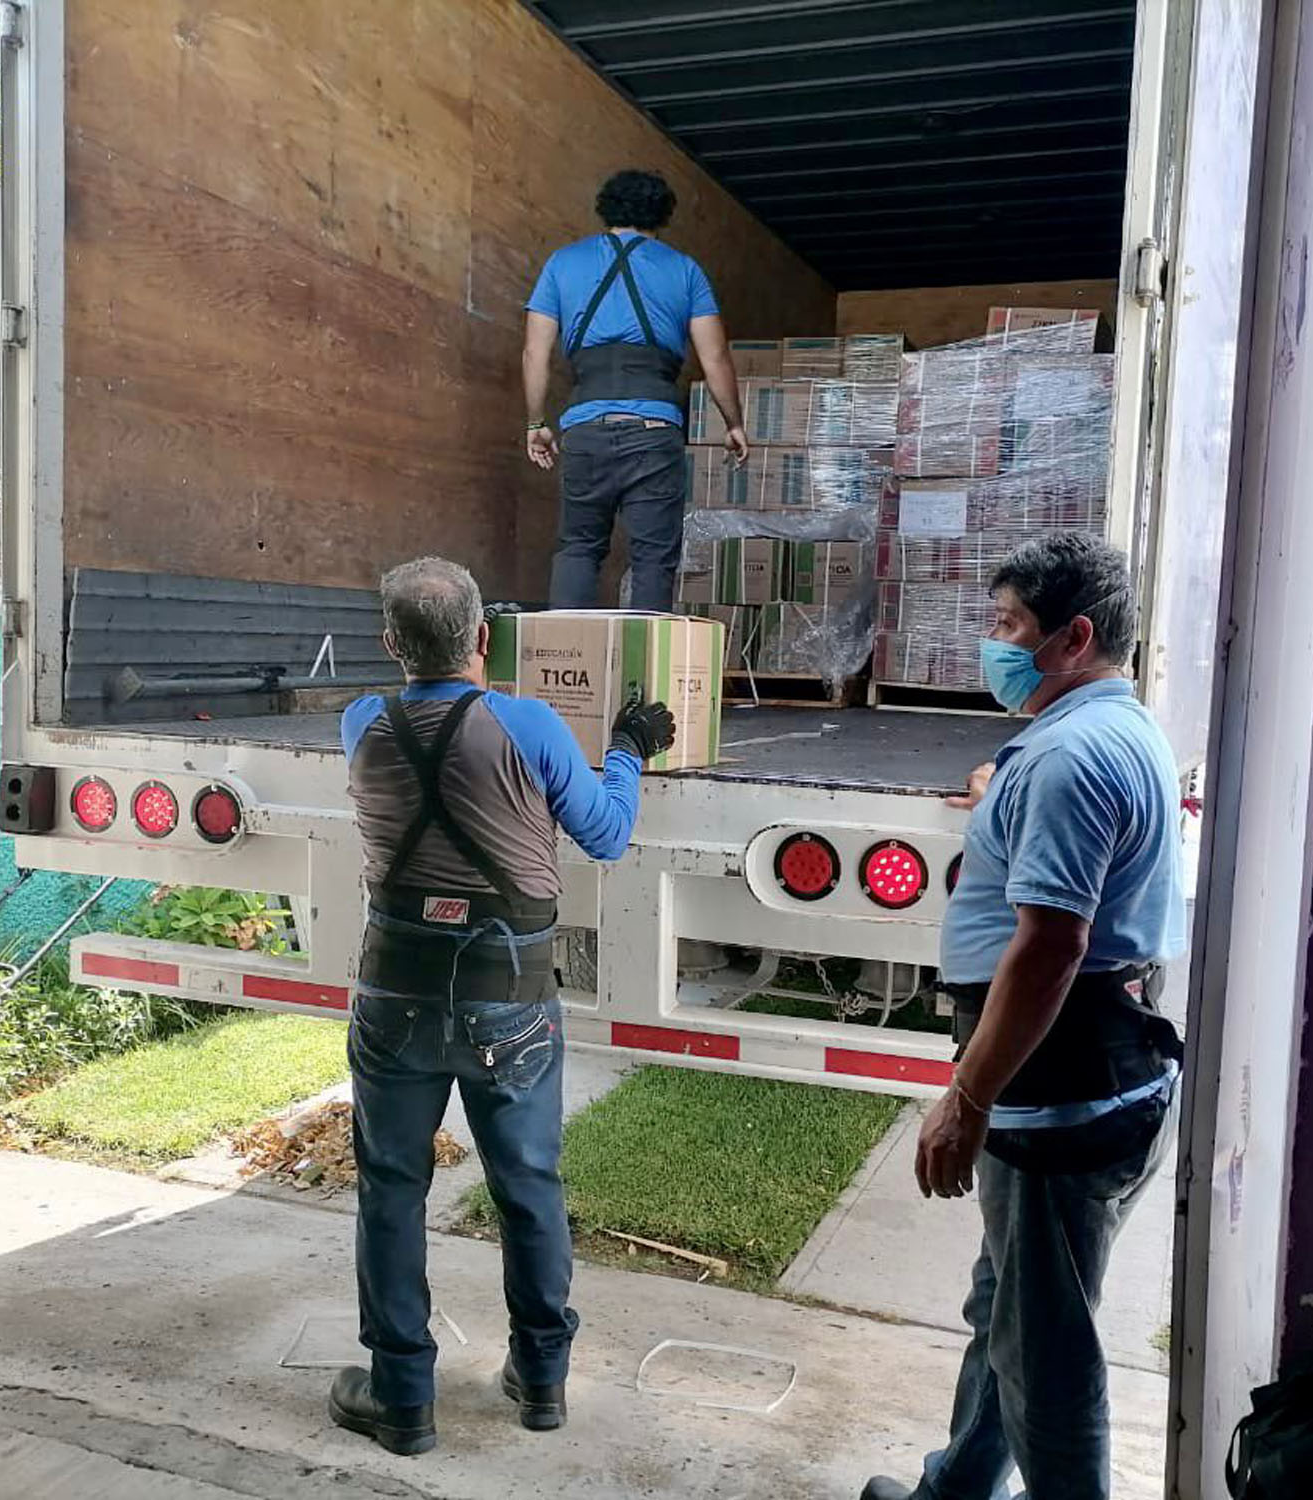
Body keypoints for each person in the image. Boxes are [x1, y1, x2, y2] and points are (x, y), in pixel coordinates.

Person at [862, 533, 1187, 1500]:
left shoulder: (1069, 760)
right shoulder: (1102, 734)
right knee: (1006, 1307)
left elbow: (1049, 950)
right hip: (1095, 1072)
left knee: (1046, 1355)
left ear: (1073, 637)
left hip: (1059, 1093)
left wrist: (965, 1097)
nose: (991, 645)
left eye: (1008, 627)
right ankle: (955, 1489)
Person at [328, 557, 677, 1458]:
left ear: (389, 645)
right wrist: (632, 748)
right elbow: (605, 833)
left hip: (394, 988)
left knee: (392, 1191)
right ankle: (541, 1378)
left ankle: (403, 1398)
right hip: (508, 994)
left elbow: (434, 712)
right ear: (486, 637)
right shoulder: (529, 724)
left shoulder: (360, 721)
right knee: (527, 1187)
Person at [522, 167, 750, 612]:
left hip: (585, 428)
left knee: (578, 548)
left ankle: (567, 672)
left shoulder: (562, 264)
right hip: (654, 430)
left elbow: (534, 353)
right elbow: (716, 356)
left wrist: (535, 423)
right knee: (653, 559)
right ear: (662, 216)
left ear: (605, 208)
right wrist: (734, 422)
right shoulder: (684, 270)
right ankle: (648, 676)